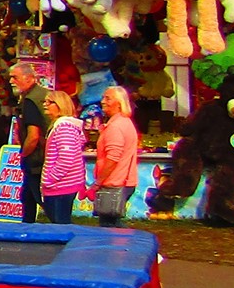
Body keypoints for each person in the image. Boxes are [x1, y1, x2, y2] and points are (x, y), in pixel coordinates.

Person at [93, 85, 140, 227]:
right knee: (112, 222)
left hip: (115, 182)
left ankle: (130, 246)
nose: (103, 101)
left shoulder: (115, 127)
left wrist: (98, 182)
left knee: (109, 224)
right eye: (103, 97)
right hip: (124, 180)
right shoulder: (125, 123)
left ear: (119, 103)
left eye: (108, 98)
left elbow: (113, 158)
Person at [40, 89, 87, 225]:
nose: (45, 105)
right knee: (59, 222)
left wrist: (50, 179)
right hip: (61, 185)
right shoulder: (63, 126)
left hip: (61, 186)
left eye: (50, 102)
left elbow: (66, 158)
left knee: (60, 224)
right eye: (45, 101)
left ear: (60, 105)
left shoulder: (64, 127)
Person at [10, 66, 48, 224]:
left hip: (36, 158)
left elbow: (33, 136)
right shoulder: (44, 94)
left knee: (39, 198)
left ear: (29, 78)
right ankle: (27, 226)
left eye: (15, 77)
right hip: (45, 155)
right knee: (28, 196)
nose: (11, 81)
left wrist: (24, 154)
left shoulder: (31, 100)